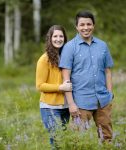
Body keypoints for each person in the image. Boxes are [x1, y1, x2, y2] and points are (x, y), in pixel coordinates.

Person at [59, 11, 114, 142]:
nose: (86, 27)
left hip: (103, 101)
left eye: (89, 24)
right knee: (78, 139)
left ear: (93, 25)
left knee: (107, 137)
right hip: (81, 102)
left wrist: (110, 94)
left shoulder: (102, 46)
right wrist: (71, 104)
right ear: (76, 27)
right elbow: (65, 77)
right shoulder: (69, 47)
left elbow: (108, 71)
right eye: (82, 24)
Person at [36, 25, 72, 148]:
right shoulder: (44, 59)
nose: (58, 39)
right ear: (50, 39)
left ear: (65, 38)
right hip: (50, 107)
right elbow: (40, 85)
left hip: (66, 106)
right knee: (57, 142)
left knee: (63, 140)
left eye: (61, 36)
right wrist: (60, 87)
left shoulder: (67, 56)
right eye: (55, 36)